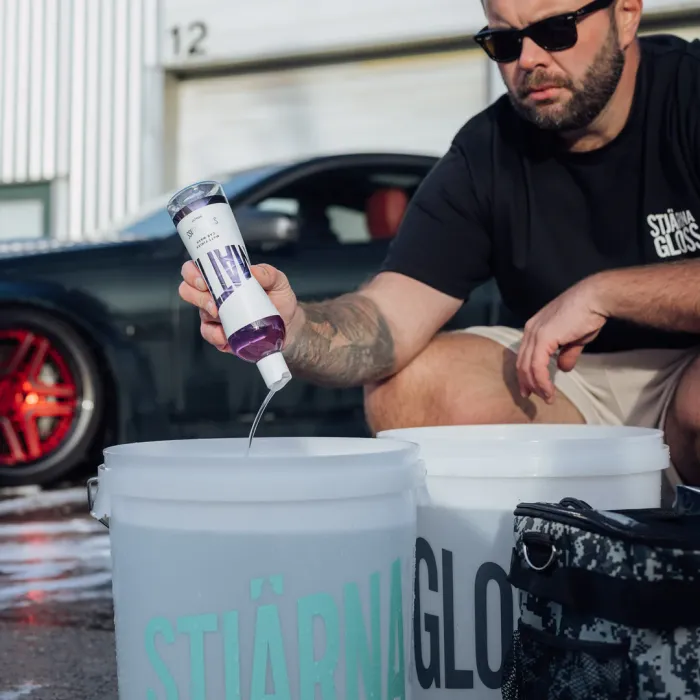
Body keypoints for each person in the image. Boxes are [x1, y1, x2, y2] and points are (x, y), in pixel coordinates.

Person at [179, 0, 700, 498]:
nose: (530, 59)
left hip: (688, 373)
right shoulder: (487, 152)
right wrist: (293, 328)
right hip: (561, 394)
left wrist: (604, 293)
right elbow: (386, 319)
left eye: (556, 30)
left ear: (626, 15)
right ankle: (543, 566)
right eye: (504, 41)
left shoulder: (688, 92)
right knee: (406, 383)